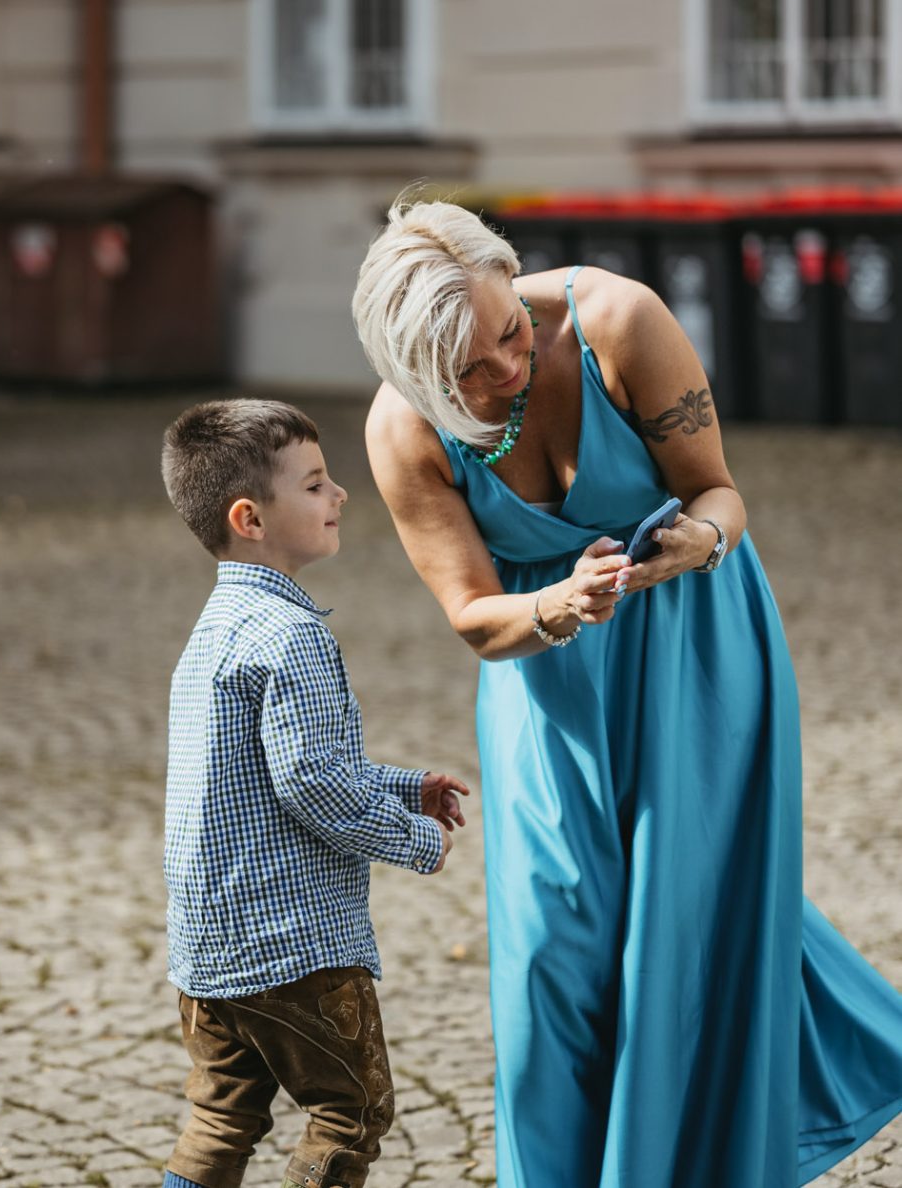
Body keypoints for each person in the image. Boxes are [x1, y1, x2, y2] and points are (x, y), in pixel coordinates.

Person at [351, 198, 902, 1187]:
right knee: (549, 960)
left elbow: (717, 490)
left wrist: (703, 539)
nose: (507, 369)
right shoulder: (403, 431)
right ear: (415, 372)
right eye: (470, 370)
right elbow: (474, 617)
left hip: (697, 648)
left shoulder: (617, 322)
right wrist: (559, 605)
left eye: (509, 332)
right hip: (545, 683)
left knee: (684, 930)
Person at [158, 398, 471, 1188]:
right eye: (316, 484)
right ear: (249, 517)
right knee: (351, 1112)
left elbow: (282, 770)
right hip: (291, 943)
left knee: (221, 1117)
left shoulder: (214, 630)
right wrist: (416, 840)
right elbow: (310, 780)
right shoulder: (290, 635)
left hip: (208, 946)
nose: (339, 497)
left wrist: (404, 788)